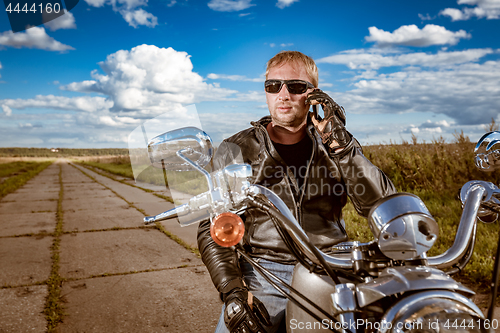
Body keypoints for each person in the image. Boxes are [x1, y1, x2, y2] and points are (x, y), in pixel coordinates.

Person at [197, 51, 395, 333]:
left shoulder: (337, 144)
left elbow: (383, 204)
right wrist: (233, 291)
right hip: (265, 272)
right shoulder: (236, 148)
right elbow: (213, 226)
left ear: (314, 94)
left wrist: (341, 146)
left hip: (330, 266)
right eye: (273, 86)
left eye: (296, 86)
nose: (283, 94)